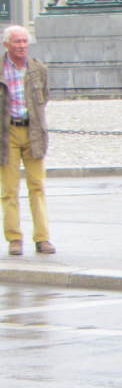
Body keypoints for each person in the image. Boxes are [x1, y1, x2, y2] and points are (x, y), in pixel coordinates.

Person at [2, 25, 54, 255]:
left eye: (24, 41)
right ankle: (15, 238)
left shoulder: (38, 69)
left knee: (37, 186)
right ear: (6, 45)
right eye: (17, 42)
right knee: (9, 190)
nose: (21, 46)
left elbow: (45, 97)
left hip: (33, 132)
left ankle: (42, 238)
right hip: (7, 133)